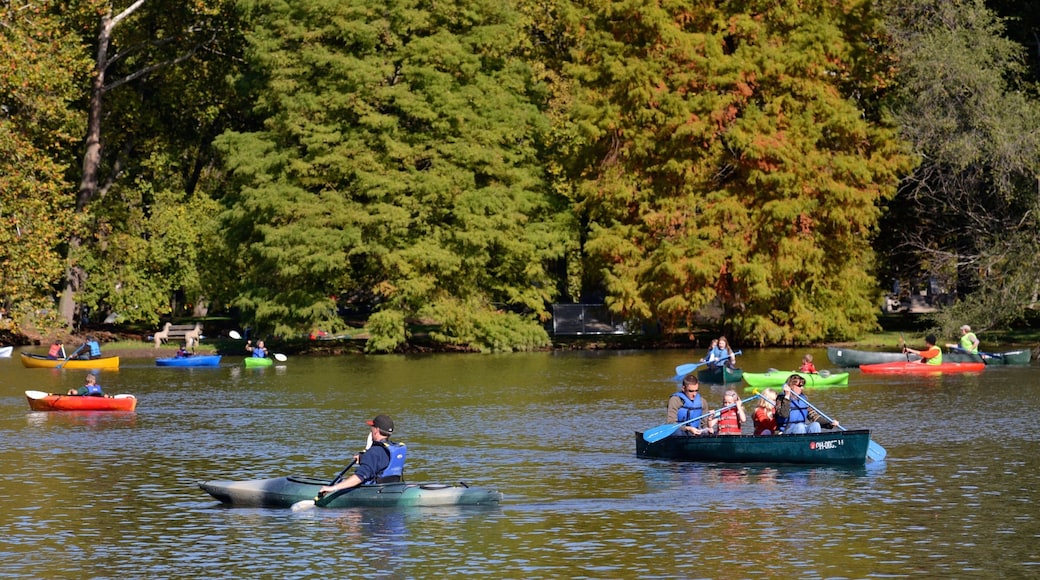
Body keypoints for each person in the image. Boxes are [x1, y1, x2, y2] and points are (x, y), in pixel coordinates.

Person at [319, 415, 407, 496]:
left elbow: (359, 477)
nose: (370, 429)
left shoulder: (374, 452)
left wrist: (332, 488)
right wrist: (363, 458)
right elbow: (381, 463)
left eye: (372, 427)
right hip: (391, 489)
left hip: (374, 493)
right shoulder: (392, 448)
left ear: (376, 430)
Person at [775, 374, 839, 434]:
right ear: (791, 386)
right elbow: (784, 415)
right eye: (799, 386)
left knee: (815, 425)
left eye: (802, 386)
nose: (802, 388)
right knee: (800, 426)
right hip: (785, 431)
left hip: (801, 429)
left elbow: (814, 416)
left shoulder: (803, 399)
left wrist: (829, 424)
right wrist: (787, 396)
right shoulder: (781, 399)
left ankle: (815, 442)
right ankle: (801, 442)